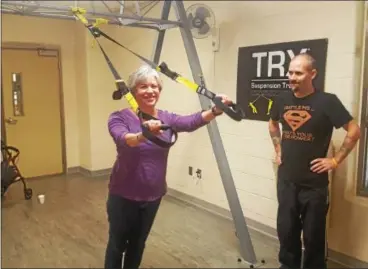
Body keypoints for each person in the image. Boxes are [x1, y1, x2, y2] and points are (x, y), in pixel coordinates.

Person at [105, 64, 232, 269]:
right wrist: (143, 134)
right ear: (133, 91)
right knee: (117, 244)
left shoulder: (166, 118)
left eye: (154, 86)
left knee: (138, 244)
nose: (150, 91)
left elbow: (190, 121)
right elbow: (123, 138)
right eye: (143, 87)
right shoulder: (120, 117)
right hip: (123, 194)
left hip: (153, 194)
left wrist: (216, 110)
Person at [268, 53, 361, 269]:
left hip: (314, 186)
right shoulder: (282, 100)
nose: (292, 77)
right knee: (287, 231)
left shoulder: (327, 101)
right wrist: (278, 148)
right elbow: (273, 124)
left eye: (298, 73)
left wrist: (335, 161)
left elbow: (354, 131)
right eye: (290, 72)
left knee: (313, 237)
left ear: (313, 74)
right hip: (287, 180)